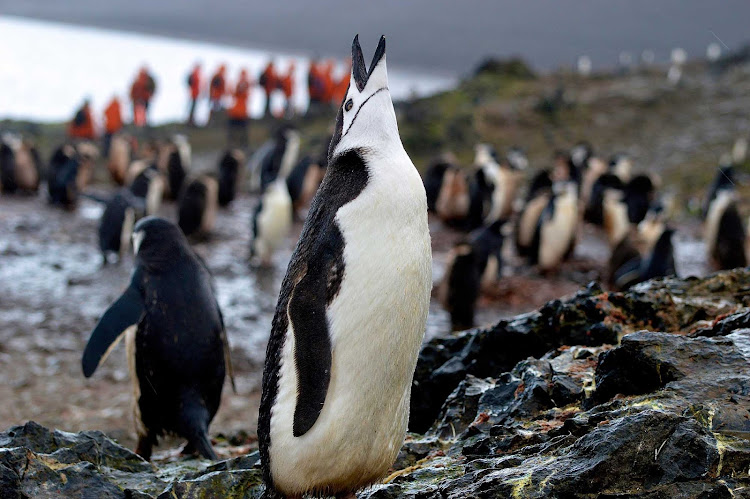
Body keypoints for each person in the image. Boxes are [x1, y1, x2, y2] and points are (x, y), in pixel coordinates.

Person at [227, 69, 251, 148]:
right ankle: (237, 144)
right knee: (237, 130)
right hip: (238, 112)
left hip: (239, 112)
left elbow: (235, 93)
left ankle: (241, 144)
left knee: (241, 130)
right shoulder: (243, 84)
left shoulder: (244, 84)